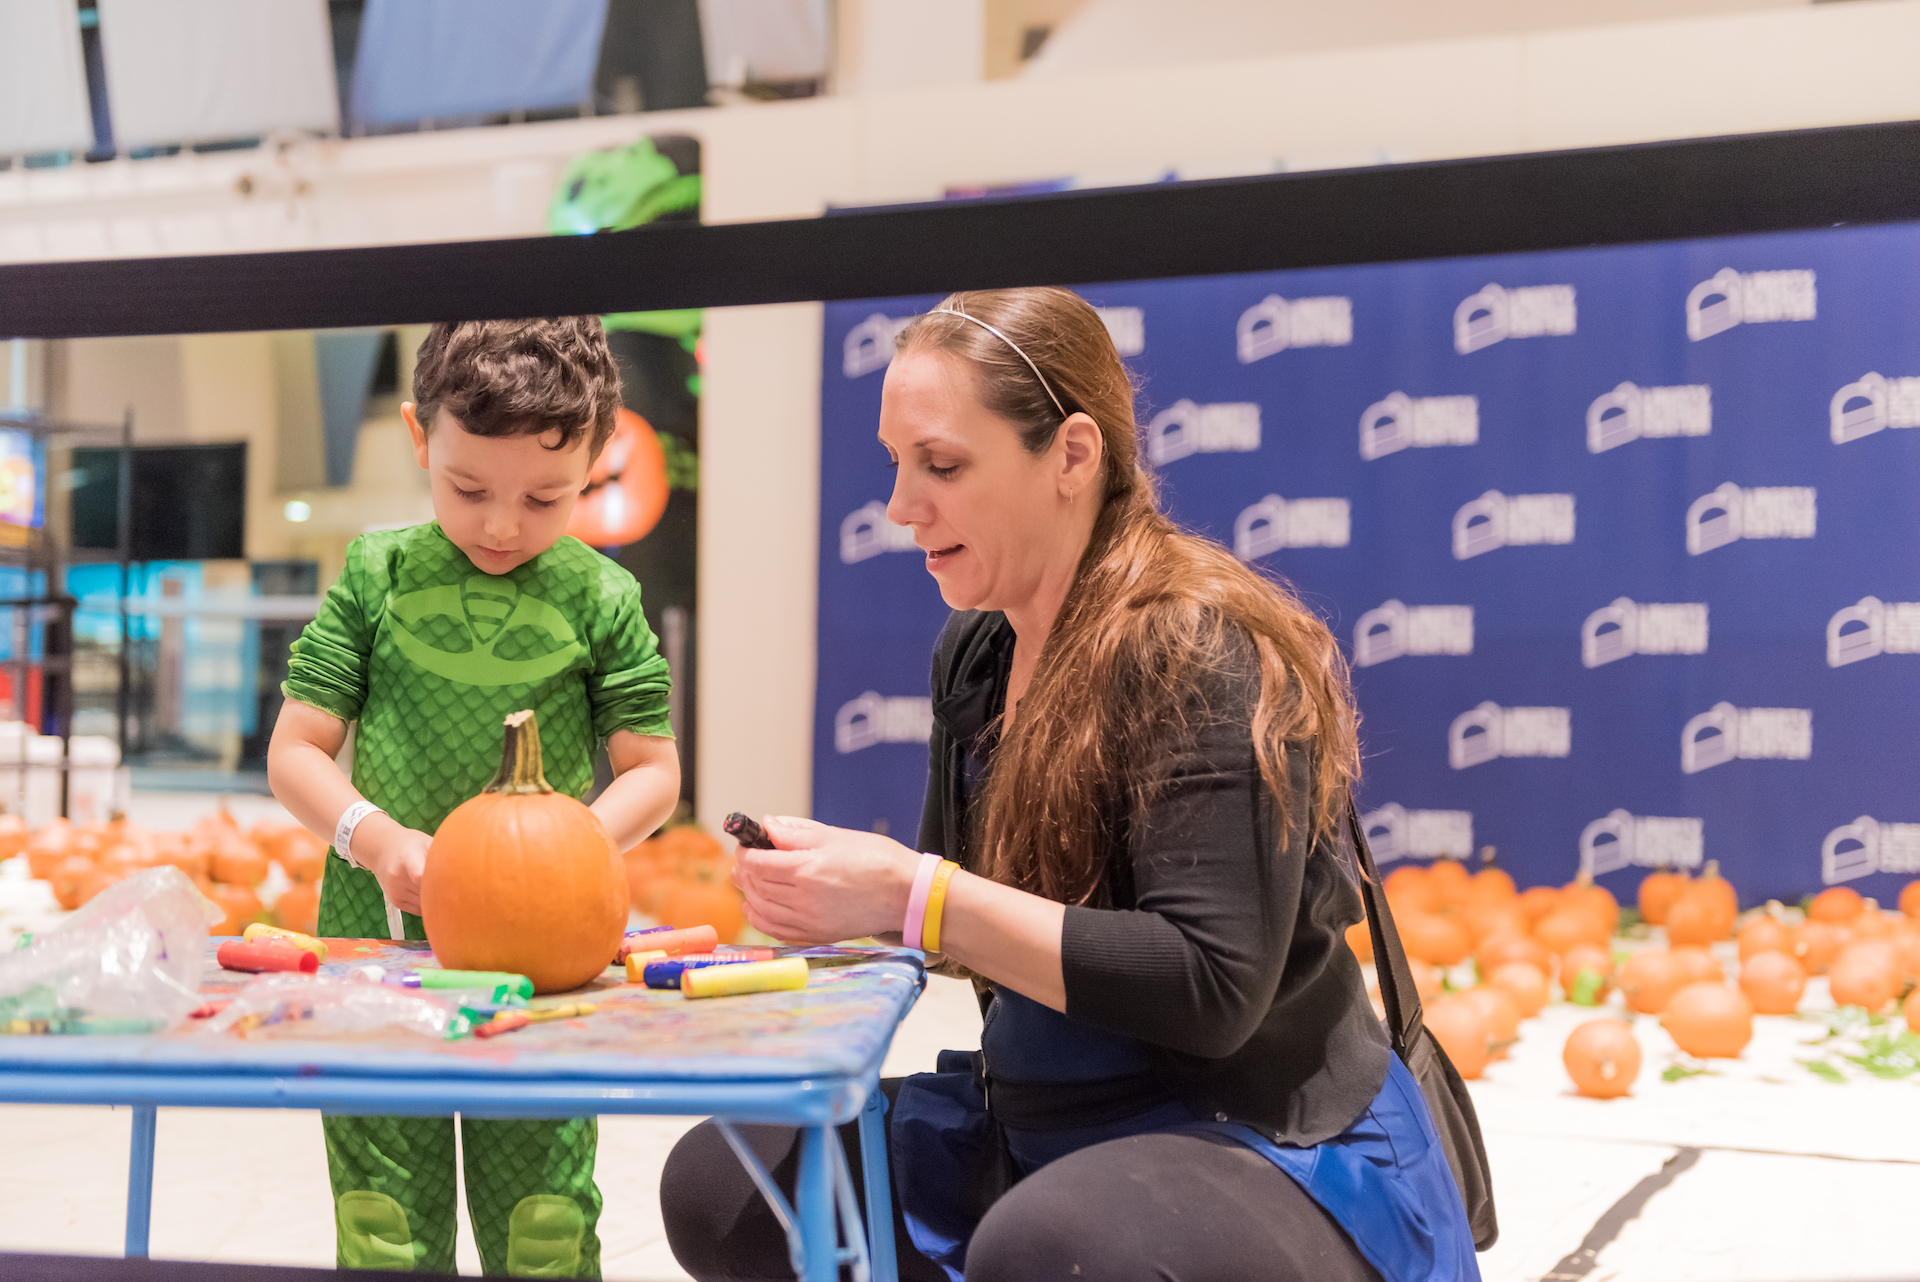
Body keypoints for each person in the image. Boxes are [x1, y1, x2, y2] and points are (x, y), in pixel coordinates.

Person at [660, 288, 1479, 1282]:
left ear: (1074, 455)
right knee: (721, 1183)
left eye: (943, 466)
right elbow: (970, 915)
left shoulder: (1197, 647)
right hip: (1046, 1125)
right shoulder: (979, 647)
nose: (899, 508)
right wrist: (841, 894)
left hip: (1257, 1135)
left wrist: (915, 894)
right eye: (896, 465)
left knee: (1049, 1248)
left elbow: (1209, 984)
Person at [267, 318, 681, 1277]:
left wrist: (560, 850)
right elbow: (296, 751)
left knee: (542, 1219)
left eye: (547, 496)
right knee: (384, 1225)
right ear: (421, 437)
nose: (503, 524)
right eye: (467, 488)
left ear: (598, 458)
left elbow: (654, 771)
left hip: (542, 966)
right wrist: (373, 838)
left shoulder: (601, 596)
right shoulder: (379, 571)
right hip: (375, 951)